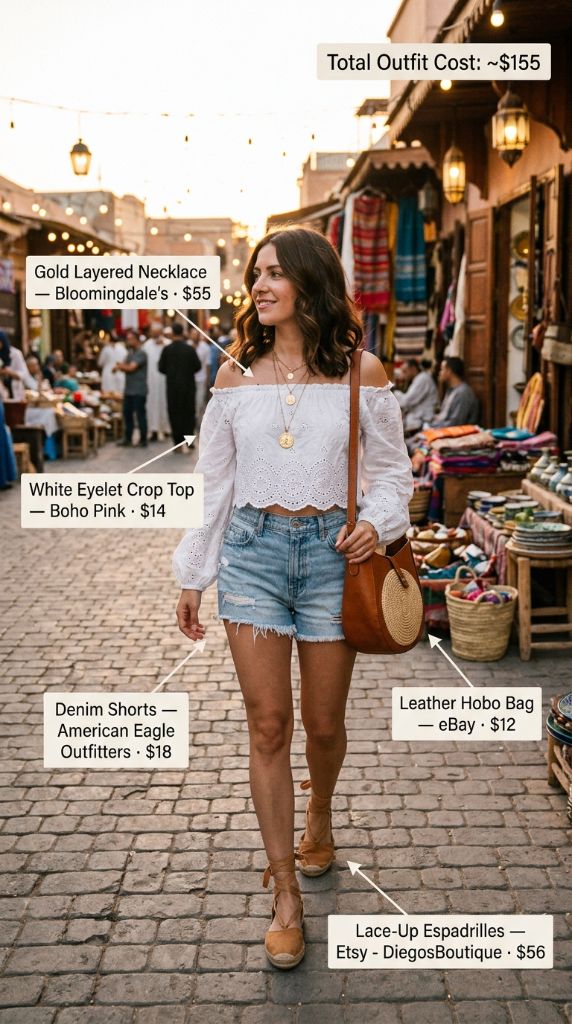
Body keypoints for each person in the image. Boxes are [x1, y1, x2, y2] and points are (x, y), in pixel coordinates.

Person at [172, 227, 413, 969]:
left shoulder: (362, 372)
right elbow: (213, 485)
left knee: (324, 724)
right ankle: (284, 893)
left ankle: (320, 813)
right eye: (257, 273)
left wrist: (377, 523)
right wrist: (194, 572)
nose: (261, 284)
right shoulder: (233, 375)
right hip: (252, 556)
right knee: (269, 725)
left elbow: (394, 474)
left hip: (334, 559)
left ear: (312, 281)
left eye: (276, 272)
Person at [158, 322, 201, 446]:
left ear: (172, 333)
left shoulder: (167, 349)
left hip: (172, 387)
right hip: (188, 387)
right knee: (189, 413)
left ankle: (177, 442)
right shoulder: (189, 349)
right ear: (183, 333)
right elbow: (197, 366)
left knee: (174, 413)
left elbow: (161, 368)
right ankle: (189, 441)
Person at [115, 329, 148, 447]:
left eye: (130, 339)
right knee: (127, 414)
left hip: (139, 390)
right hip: (129, 389)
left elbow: (130, 368)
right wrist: (121, 366)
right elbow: (124, 365)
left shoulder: (141, 353)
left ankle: (143, 439)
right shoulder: (130, 353)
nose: (128, 341)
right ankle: (128, 438)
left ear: (136, 340)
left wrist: (121, 366)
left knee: (140, 415)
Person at [394, 358, 438, 434]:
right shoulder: (418, 378)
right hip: (418, 420)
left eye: (405, 371)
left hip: (423, 421)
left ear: (413, 369)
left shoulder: (422, 379)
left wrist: (394, 393)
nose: (403, 374)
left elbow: (406, 401)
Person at [433, 356, 479, 427]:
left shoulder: (463, 392)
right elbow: (443, 416)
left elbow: (455, 423)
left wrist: (433, 427)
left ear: (449, 371)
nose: (440, 373)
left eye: (442, 369)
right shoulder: (451, 390)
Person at [144, 322, 170, 441]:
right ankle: (153, 429)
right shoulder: (147, 345)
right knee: (151, 404)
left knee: (165, 403)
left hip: (164, 380)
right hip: (151, 380)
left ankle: (166, 429)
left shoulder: (167, 344)